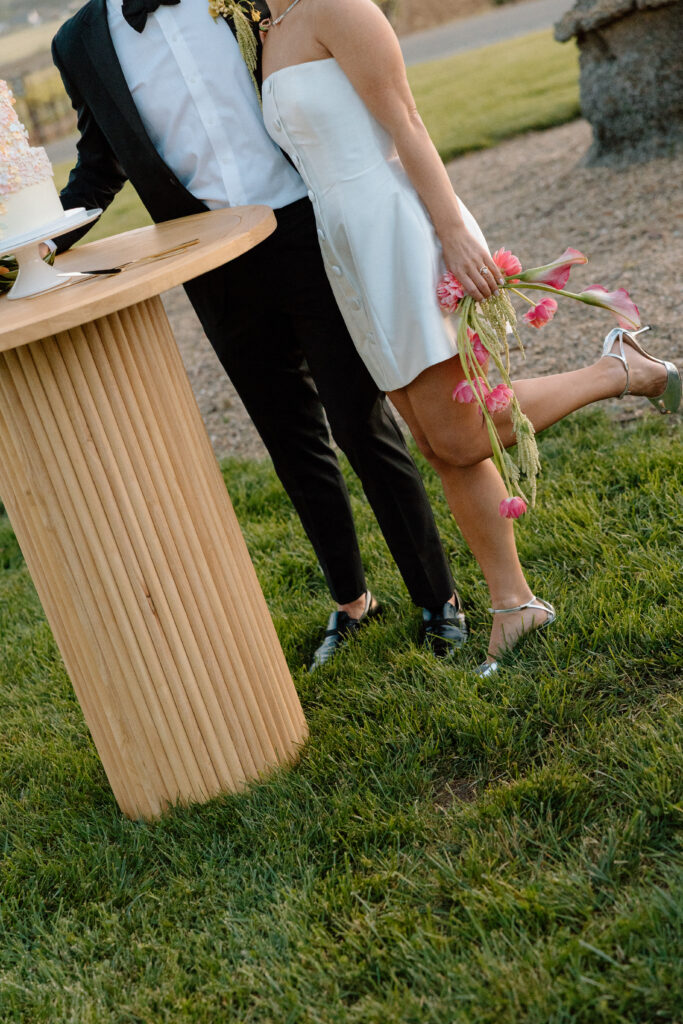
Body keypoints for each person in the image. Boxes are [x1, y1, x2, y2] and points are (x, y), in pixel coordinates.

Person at [50, 0, 474, 671]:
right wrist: (36, 245)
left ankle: (437, 599)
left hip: (309, 229)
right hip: (211, 264)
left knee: (360, 421)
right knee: (289, 438)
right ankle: (352, 601)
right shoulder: (77, 44)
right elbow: (98, 169)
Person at [259, 0, 681, 673]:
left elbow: (405, 121)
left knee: (458, 430)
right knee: (435, 442)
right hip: (344, 248)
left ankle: (619, 369)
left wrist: (451, 231)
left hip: (396, 231)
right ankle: (514, 607)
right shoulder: (267, 29)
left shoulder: (338, 7)